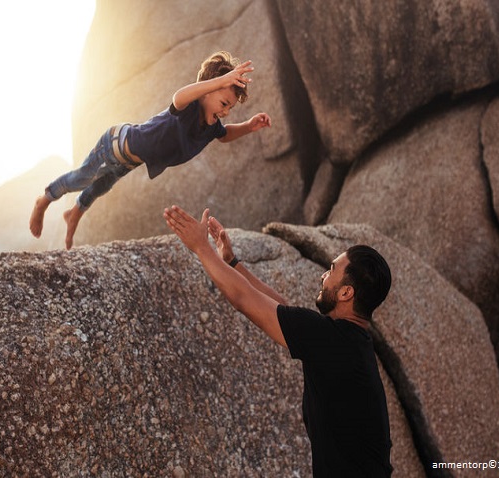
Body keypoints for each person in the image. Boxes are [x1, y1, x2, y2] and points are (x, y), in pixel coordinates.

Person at [163, 205, 393, 477]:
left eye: (331, 270)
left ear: (346, 292)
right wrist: (231, 262)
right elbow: (282, 309)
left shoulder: (332, 340)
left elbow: (244, 299)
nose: (323, 276)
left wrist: (201, 248)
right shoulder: (348, 340)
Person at [29, 51, 272, 249]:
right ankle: (45, 198)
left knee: (100, 187)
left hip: (127, 161)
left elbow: (226, 134)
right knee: (83, 177)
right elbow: (180, 96)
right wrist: (221, 80)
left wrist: (249, 126)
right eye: (223, 104)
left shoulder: (210, 128)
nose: (225, 112)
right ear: (206, 92)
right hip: (114, 143)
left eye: (229, 107)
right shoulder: (188, 108)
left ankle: (74, 213)